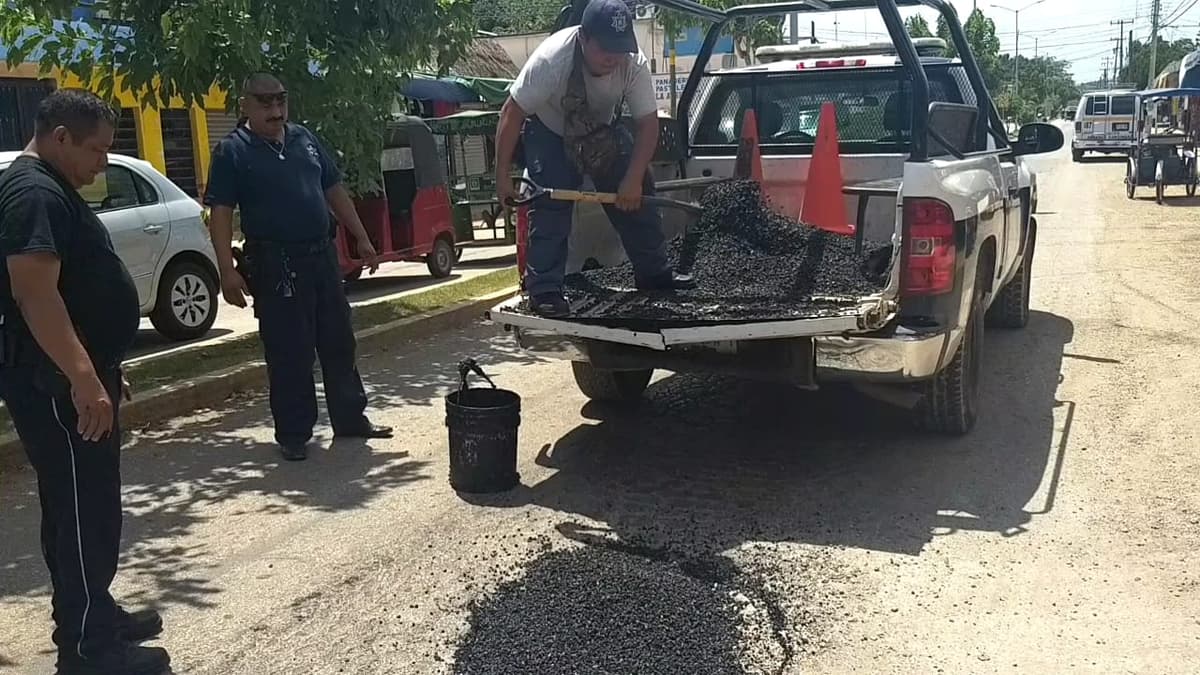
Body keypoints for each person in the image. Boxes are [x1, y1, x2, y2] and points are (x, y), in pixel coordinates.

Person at [0, 90, 170, 675]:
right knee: (80, 513)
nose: (103, 162)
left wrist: (99, 369)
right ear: (60, 137)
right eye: (96, 149)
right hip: (52, 387)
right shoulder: (33, 193)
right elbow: (34, 293)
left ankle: (96, 612)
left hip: (71, 379)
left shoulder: (51, 187)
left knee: (88, 508)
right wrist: (80, 376)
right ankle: (89, 651)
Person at [204, 73, 393, 461]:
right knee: (290, 350)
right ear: (245, 107)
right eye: (265, 103)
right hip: (276, 264)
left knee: (339, 340)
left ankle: (350, 417)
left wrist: (361, 236)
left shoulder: (304, 139)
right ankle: (293, 432)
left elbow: (333, 188)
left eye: (280, 102)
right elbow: (220, 213)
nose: (275, 111)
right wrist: (226, 270)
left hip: (321, 256)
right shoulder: (232, 152)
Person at [494, 0, 693, 318]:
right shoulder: (551, 59)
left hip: (600, 131)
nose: (613, 58)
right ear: (584, 39)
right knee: (551, 204)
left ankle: (655, 276)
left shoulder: (633, 64)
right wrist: (502, 175)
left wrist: (631, 179)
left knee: (640, 190)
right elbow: (512, 112)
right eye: (605, 49)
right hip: (550, 131)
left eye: (620, 48)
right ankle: (544, 289)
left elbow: (647, 124)